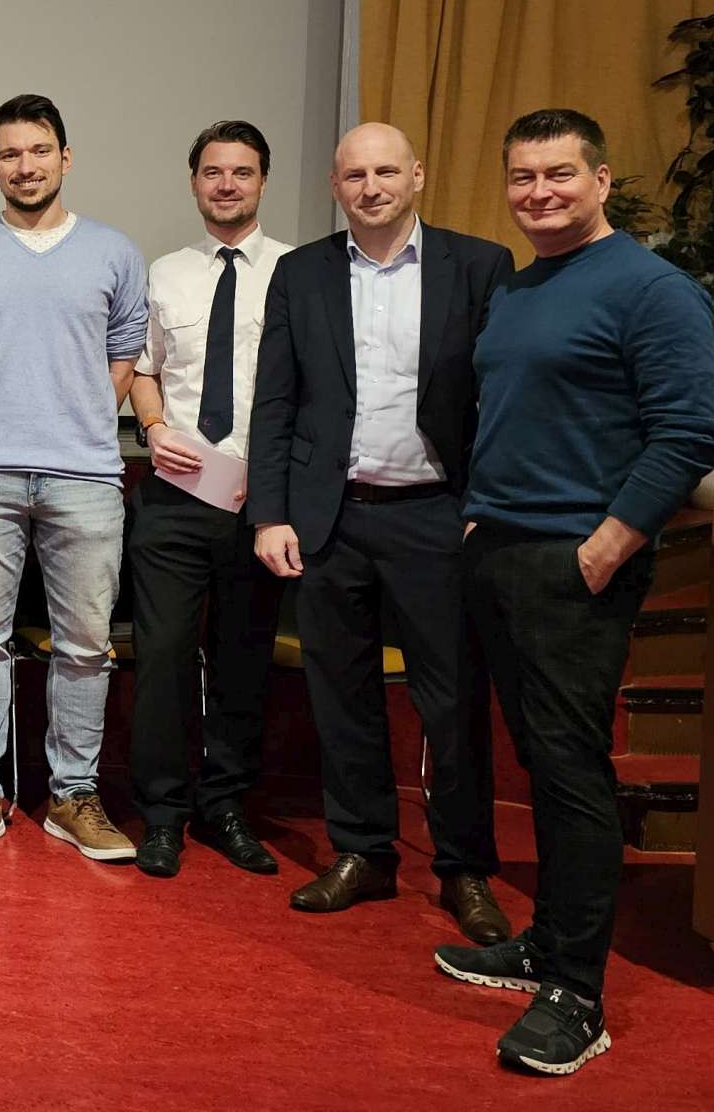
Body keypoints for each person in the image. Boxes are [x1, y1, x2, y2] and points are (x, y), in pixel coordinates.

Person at [432, 108, 714, 1077]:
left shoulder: (653, 289)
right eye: (522, 177)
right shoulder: (521, 287)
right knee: (539, 764)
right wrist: (478, 519)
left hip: (576, 564)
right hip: (500, 551)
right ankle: (545, 946)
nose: (538, 192)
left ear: (600, 180)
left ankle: (575, 995)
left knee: (570, 772)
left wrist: (606, 545)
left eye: (558, 174)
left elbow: (686, 435)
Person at [247, 122, 512, 939]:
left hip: (437, 515)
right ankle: (362, 852)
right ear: (335, 186)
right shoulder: (301, 273)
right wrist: (270, 512)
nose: (371, 188)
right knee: (342, 696)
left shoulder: (478, 266)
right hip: (329, 518)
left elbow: (502, 399)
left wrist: (486, 505)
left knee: (451, 700)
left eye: (386, 171)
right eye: (355, 175)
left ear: (416, 176)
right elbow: (275, 401)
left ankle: (464, 868)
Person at [0, 93, 147, 861]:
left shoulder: (114, 251)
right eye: (10, 154)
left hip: (83, 475)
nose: (26, 166)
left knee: (85, 643)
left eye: (39, 150)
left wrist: (79, 415)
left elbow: (125, 348)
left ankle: (74, 795)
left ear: (65, 157)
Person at [123, 121, 291, 879]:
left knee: (241, 659)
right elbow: (143, 369)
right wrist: (154, 427)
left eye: (241, 172)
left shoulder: (295, 272)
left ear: (262, 182)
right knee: (160, 656)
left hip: (262, 499)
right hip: (176, 491)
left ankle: (225, 806)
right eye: (213, 172)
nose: (226, 185)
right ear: (194, 183)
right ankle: (161, 813)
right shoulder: (164, 274)